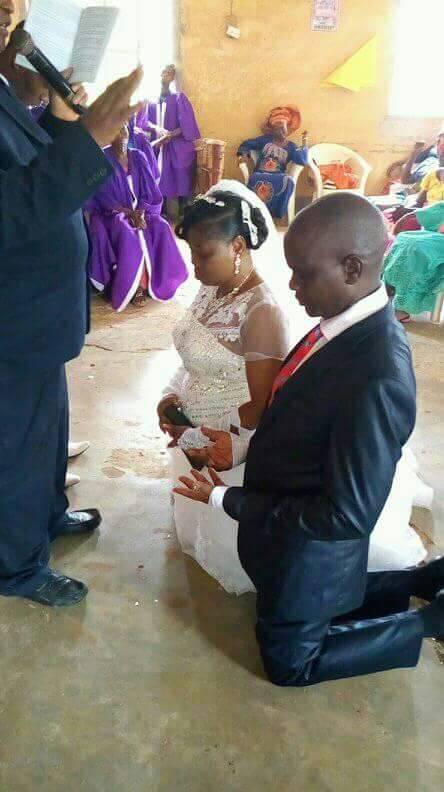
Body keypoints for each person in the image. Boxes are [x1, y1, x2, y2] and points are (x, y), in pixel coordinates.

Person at [174, 192, 444, 687]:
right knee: (285, 614)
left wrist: (226, 498)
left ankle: (430, 621)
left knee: (289, 665)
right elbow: (299, 419)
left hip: (310, 552)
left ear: (352, 267)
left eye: (303, 273)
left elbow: (345, 516)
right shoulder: (339, 325)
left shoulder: (377, 375)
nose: (292, 285)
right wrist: (243, 448)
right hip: (288, 536)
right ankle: (423, 580)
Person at [0, 0, 145, 607]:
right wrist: (88, 138)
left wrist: (62, 123)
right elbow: (11, 211)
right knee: (14, 447)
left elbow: (31, 170)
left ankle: (47, 514)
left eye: (9, 8)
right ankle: (16, 565)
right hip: (12, 318)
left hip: (38, 312)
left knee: (46, 430)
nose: (7, 15)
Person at [157, 185, 290, 590]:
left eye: (203, 254)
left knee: (224, 535)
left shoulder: (262, 312)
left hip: (225, 443)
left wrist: (200, 437)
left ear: (237, 246)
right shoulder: (214, 287)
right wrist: (170, 395)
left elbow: (259, 406)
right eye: (191, 253)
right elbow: (191, 355)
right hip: (191, 428)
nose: (194, 265)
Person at [86, 124, 187, 310]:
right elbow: (101, 197)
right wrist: (129, 213)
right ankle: (137, 286)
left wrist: (142, 211)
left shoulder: (138, 157)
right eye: (116, 130)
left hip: (143, 210)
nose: (121, 135)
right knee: (127, 232)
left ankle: (158, 280)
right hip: (113, 214)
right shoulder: (101, 160)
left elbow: (151, 190)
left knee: (161, 226)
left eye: (124, 129)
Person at [136, 64, 200, 215]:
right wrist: (156, 129)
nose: (166, 75)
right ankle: (160, 212)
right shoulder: (150, 100)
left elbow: (187, 125)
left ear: (173, 78)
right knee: (156, 174)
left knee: (179, 174)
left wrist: (170, 135)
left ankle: (182, 212)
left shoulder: (179, 98)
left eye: (170, 73)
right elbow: (143, 122)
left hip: (176, 145)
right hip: (157, 145)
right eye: (164, 72)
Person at [237, 106, 308, 219]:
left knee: (288, 181)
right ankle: (256, 213)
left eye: (283, 128)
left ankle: (276, 213)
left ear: (288, 129)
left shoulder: (291, 146)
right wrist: (243, 156)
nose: (280, 131)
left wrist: (304, 143)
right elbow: (246, 144)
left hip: (279, 175)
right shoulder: (264, 140)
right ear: (272, 130)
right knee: (254, 178)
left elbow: (301, 159)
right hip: (260, 173)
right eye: (277, 129)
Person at [383, 202, 444, 323]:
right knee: (406, 238)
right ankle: (390, 286)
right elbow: (432, 212)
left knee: (419, 248)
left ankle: (404, 305)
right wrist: (411, 215)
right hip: (436, 237)